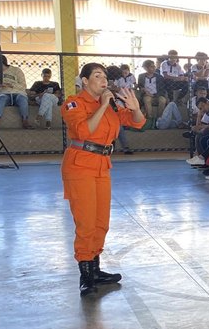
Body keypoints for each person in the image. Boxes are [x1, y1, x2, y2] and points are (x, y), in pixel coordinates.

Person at [61, 63, 146, 295]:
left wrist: (135, 107)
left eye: (104, 76)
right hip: (80, 165)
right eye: (97, 76)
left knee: (101, 221)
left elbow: (137, 122)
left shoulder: (112, 106)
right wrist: (103, 105)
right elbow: (83, 131)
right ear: (85, 81)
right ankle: (86, 275)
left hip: (102, 165)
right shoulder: (73, 103)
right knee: (86, 222)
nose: (103, 79)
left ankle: (96, 269)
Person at [0, 56, 33, 129]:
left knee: (22, 99)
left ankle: (25, 121)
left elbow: (23, 85)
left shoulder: (16, 70)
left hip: (18, 93)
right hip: (4, 93)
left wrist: (11, 85)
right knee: (1, 98)